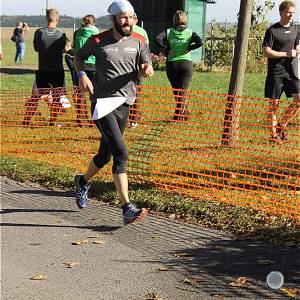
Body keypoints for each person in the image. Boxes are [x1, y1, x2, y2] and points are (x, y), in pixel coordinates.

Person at [74, 0, 154, 225]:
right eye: (123, 18)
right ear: (113, 19)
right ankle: (127, 207)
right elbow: (78, 58)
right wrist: (83, 76)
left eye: (131, 17)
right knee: (121, 153)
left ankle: (82, 181)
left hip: (125, 103)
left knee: (105, 155)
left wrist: (147, 69)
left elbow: (147, 65)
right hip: (102, 104)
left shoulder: (139, 41)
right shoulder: (98, 41)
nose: (128, 21)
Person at [263, 0, 300, 144]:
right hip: (276, 72)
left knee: (298, 100)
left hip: (292, 72)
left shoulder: (295, 30)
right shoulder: (272, 31)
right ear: (281, 12)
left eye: (293, 13)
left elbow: (297, 46)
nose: (291, 15)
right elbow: (266, 51)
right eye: (288, 12)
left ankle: (281, 125)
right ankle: (273, 136)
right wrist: (286, 54)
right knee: (274, 105)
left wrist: (297, 51)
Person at [23, 8, 67, 126]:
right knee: (57, 98)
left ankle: (26, 121)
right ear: (57, 19)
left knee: (35, 97)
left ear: (46, 18)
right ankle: (52, 122)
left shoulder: (39, 32)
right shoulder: (61, 34)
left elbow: (36, 48)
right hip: (57, 71)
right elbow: (65, 49)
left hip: (43, 70)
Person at [156, 10, 202, 121]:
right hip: (186, 64)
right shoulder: (190, 32)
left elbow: (157, 39)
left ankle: (179, 115)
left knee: (177, 91)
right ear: (185, 19)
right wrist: (189, 48)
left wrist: (168, 48)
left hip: (172, 64)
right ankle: (181, 115)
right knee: (183, 92)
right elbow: (200, 42)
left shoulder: (169, 32)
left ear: (174, 20)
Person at [72, 15, 100, 127]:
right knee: (95, 93)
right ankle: (95, 119)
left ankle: (80, 119)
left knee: (79, 92)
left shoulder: (77, 33)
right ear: (94, 22)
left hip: (79, 64)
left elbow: (74, 47)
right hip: (93, 64)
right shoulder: (97, 32)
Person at [129, 12, 150, 127]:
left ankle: (129, 118)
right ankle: (134, 120)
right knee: (136, 92)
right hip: (137, 66)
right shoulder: (142, 32)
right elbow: (146, 49)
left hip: (125, 66)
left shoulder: (121, 30)